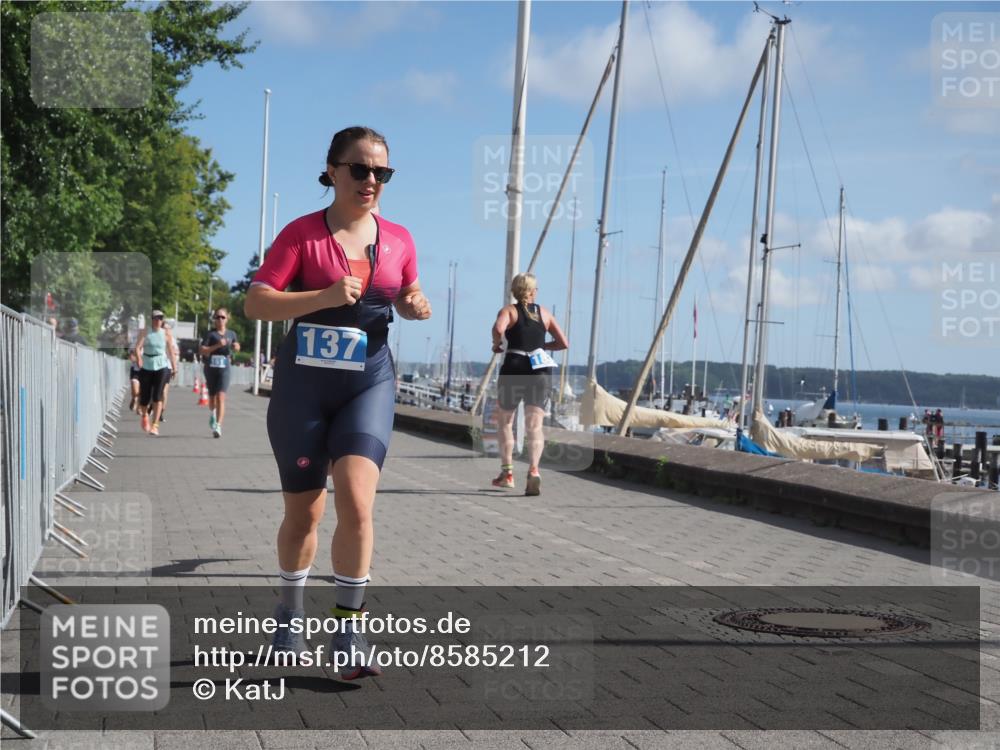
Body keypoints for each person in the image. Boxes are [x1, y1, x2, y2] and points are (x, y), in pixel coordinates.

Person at [244, 126, 431, 680]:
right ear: (331, 171)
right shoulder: (301, 235)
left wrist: (415, 302)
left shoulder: (399, 238)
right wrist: (323, 297)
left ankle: (348, 632)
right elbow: (257, 303)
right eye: (360, 169)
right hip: (304, 387)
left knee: (356, 501)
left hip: (367, 383)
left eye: (382, 173)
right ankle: (289, 613)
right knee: (305, 513)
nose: (371, 180)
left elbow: (407, 289)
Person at [490, 272, 568, 496]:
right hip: (539, 369)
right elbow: (564, 343)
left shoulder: (509, 311)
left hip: (514, 366)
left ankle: (507, 473)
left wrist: (497, 344)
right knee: (535, 426)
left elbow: (498, 328)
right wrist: (543, 347)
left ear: (515, 290)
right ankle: (534, 470)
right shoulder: (545, 313)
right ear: (533, 291)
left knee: (505, 422)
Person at [134, 310, 177, 436]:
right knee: (145, 398)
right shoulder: (145, 332)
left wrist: (174, 368)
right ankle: (145, 416)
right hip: (147, 364)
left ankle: (155, 425)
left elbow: (171, 352)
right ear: (151, 319)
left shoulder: (166, 333)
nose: (158, 320)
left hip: (161, 365)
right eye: (155, 318)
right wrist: (139, 359)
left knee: (158, 395)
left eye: (160, 318)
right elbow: (137, 348)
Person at [200, 307, 240, 438]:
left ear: (227, 319)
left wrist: (236, 347)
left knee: (221, 396)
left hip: (225, 367)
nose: (220, 319)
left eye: (223, 317)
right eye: (217, 317)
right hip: (211, 367)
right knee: (212, 398)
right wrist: (217, 345)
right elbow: (202, 350)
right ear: (214, 319)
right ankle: (213, 413)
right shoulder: (210, 334)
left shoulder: (231, 333)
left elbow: (237, 346)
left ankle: (218, 425)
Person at [128, 349, 142, 413]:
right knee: (135, 391)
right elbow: (131, 357)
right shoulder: (134, 342)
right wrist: (138, 359)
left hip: (146, 370)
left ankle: (139, 407)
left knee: (142, 390)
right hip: (135, 370)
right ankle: (134, 398)